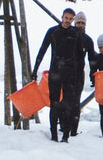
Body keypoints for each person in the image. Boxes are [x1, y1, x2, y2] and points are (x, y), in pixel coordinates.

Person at [31, 8, 81, 142]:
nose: (68, 21)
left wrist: (80, 75)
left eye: (70, 19)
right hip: (55, 73)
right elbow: (42, 50)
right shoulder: (53, 32)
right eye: (66, 18)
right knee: (54, 104)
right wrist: (35, 70)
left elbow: (80, 56)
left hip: (70, 73)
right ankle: (54, 136)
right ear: (62, 17)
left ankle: (65, 136)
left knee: (68, 105)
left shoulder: (75, 33)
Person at [69, 11, 96, 136]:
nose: (80, 25)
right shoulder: (68, 36)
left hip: (79, 74)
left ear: (85, 24)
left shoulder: (88, 40)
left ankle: (73, 130)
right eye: (78, 22)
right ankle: (64, 127)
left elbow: (92, 60)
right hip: (66, 73)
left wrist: (93, 75)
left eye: (82, 23)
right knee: (65, 102)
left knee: (75, 103)